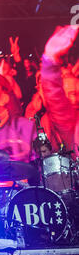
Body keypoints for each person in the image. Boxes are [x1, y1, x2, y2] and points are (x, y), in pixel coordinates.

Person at [40, 25, 79, 158]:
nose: (74, 100)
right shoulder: (71, 123)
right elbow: (55, 96)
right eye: (68, 96)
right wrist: (50, 59)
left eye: (76, 93)